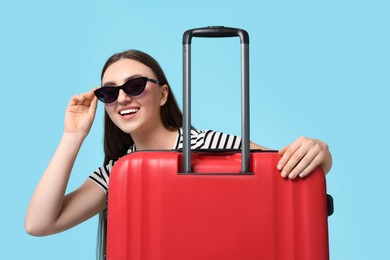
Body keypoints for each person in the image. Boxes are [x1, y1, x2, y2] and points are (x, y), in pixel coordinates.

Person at [25, 49, 333, 259]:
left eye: (135, 85)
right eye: (108, 92)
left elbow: (289, 168)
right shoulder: (118, 173)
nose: (121, 98)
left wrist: (321, 152)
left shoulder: (208, 144)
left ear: (162, 94)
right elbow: (39, 224)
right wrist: (73, 135)